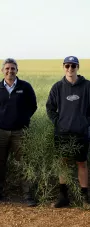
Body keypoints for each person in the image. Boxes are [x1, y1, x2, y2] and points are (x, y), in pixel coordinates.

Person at [0, 58, 37, 206]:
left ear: (17, 70)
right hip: (1, 132)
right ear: (2, 71)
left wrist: (22, 119)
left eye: (13, 68)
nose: (10, 71)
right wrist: (4, 119)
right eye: (7, 68)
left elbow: (32, 106)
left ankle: (27, 195)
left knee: (23, 164)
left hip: (20, 132)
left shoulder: (25, 87)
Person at [46, 56, 90, 208]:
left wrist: (86, 123)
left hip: (81, 132)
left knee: (82, 163)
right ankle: (64, 197)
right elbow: (50, 108)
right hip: (62, 133)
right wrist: (58, 123)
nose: (70, 69)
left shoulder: (87, 86)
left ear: (78, 67)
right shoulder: (57, 87)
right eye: (67, 66)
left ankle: (85, 198)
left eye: (73, 66)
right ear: (63, 67)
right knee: (63, 163)